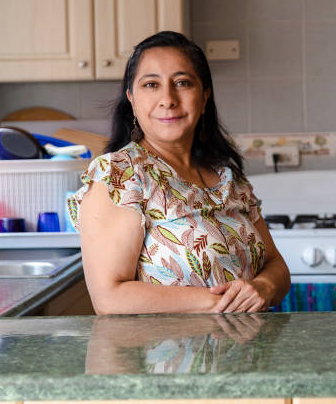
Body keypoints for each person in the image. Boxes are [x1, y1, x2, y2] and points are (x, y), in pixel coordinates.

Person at [67, 31, 290, 315]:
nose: (168, 98)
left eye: (182, 83)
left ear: (204, 96)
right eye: (151, 84)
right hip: (171, 356)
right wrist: (222, 304)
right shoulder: (119, 175)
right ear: (132, 99)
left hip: (249, 354)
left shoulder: (227, 179)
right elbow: (110, 298)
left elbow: (276, 264)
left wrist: (264, 288)